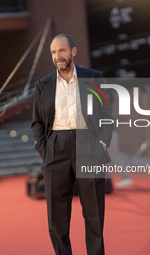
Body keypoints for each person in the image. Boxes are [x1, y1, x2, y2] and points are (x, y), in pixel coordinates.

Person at [31, 34, 113, 255]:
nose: (58, 56)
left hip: (88, 144)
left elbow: (107, 113)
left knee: (94, 214)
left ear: (73, 52)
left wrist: (102, 144)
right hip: (56, 147)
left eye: (62, 51)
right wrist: (44, 149)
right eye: (54, 52)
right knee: (56, 218)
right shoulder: (43, 85)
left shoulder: (93, 78)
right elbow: (37, 122)